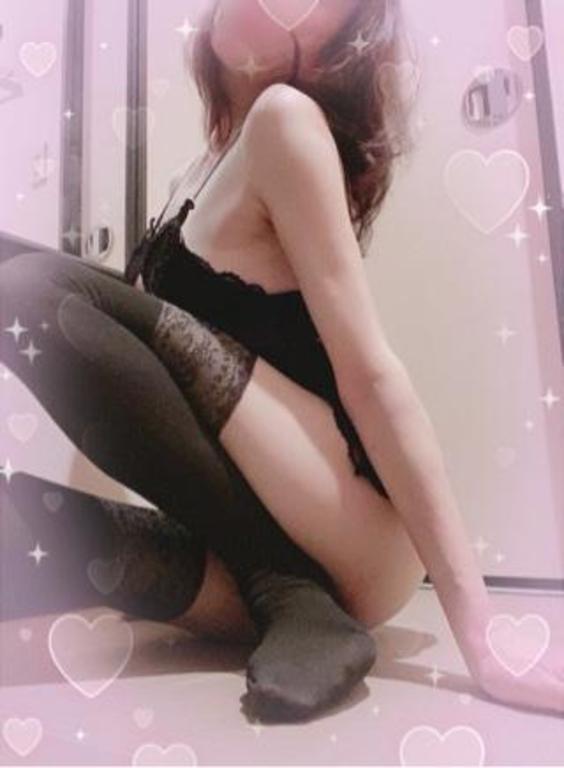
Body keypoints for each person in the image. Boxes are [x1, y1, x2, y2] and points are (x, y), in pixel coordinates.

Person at [2, 0, 563, 722]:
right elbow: (129, 385)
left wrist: (480, 631)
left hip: (351, 526)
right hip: (260, 555)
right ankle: (290, 598)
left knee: (26, 290)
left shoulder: (285, 120)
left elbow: (372, 374)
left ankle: (284, 584)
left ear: (333, 53)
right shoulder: (193, 175)